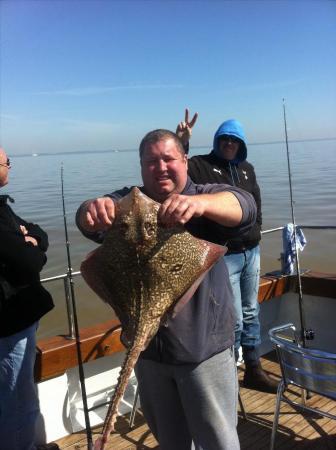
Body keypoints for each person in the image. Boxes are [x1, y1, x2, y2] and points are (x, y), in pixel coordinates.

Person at [76, 129, 257, 450]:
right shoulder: (129, 204)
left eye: (168, 159)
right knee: (170, 443)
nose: (160, 167)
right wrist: (92, 209)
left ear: (184, 159)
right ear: (141, 165)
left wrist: (198, 204)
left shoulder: (204, 194)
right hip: (148, 351)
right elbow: (86, 218)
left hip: (203, 352)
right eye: (151, 161)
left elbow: (244, 205)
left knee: (218, 441)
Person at [176, 110, 278, 393]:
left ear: (241, 143)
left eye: (234, 140)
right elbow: (180, 171)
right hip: (224, 256)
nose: (229, 143)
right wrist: (182, 142)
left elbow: (256, 203)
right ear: (217, 140)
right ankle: (228, 375)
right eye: (225, 138)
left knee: (251, 311)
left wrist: (256, 230)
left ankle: (254, 368)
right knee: (229, 318)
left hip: (251, 252)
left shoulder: (248, 169)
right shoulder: (201, 165)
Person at [0, 147, 59, 450]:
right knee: (16, 400)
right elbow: (29, 262)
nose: (9, 166)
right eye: (5, 162)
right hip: (8, 325)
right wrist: (31, 245)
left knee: (19, 393)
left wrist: (31, 238)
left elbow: (38, 233)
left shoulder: (2, 207)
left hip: (19, 320)